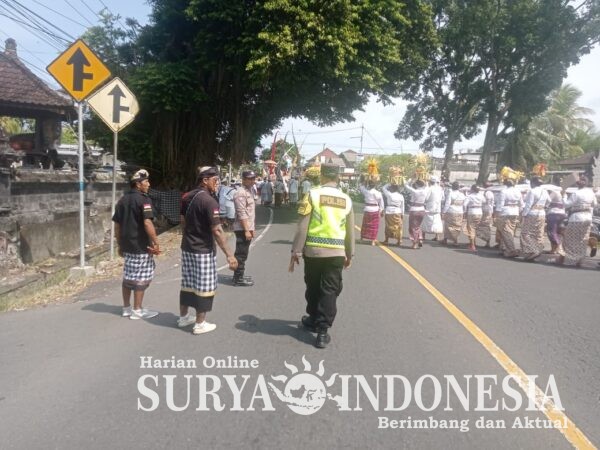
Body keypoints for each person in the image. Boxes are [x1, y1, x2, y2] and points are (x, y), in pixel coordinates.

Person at [290, 164, 354, 349]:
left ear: (322, 176)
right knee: (330, 289)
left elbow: (303, 226)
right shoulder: (346, 199)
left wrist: (296, 251)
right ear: (338, 177)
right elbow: (350, 230)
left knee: (312, 285)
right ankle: (322, 332)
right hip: (337, 252)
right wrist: (349, 253)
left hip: (314, 251)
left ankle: (312, 318)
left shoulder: (312, 195)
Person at [178, 166, 238, 334]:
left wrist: (190, 235)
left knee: (188, 283)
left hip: (187, 247)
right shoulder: (209, 201)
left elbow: (182, 221)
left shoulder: (187, 197)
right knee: (205, 286)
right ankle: (200, 324)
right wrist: (230, 255)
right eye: (215, 180)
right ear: (205, 180)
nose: (217, 184)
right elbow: (217, 230)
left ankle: (183, 318)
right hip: (203, 250)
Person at [112, 169, 160, 320]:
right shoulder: (144, 200)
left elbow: (117, 226)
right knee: (141, 277)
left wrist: (120, 244)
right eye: (146, 182)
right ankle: (137, 310)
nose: (148, 184)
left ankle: (126, 308)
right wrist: (156, 242)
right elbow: (147, 223)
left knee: (128, 277)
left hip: (127, 245)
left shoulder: (122, 200)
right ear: (138, 184)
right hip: (141, 245)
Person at [557, 175, 597, 266]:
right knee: (583, 240)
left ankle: (571, 259)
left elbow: (566, 205)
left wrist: (564, 195)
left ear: (577, 183)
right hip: (587, 218)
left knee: (570, 239)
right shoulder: (591, 193)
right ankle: (580, 259)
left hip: (576, 218)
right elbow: (594, 204)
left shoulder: (576, 193)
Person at [232, 170, 257, 286]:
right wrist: (247, 230)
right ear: (243, 179)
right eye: (249, 179)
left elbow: (250, 213)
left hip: (247, 227)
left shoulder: (249, 191)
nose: (252, 181)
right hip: (242, 228)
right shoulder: (240, 193)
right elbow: (241, 213)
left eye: (253, 179)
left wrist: (252, 229)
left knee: (244, 253)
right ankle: (238, 278)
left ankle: (239, 275)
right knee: (241, 254)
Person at [520, 176, 550, 261]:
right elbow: (549, 201)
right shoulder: (545, 191)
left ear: (533, 183)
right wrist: (544, 207)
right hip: (542, 213)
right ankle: (537, 249)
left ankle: (533, 250)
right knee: (538, 233)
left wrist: (524, 215)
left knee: (525, 233)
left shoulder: (532, 191)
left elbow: (528, 204)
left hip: (532, 213)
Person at [494, 178, 523, 258]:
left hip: (505, 212)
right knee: (510, 230)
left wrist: (496, 214)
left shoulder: (504, 191)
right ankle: (504, 248)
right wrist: (520, 213)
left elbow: (500, 204)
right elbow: (521, 204)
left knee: (506, 231)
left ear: (506, 184)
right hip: (515, 212)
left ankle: (511, 250)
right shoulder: (518, 191)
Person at [404, 179, 428, 249]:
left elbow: (405, 185)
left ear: (417, 185)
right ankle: (420, 238)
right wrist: (423, 177)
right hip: (422, 210)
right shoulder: (425, 190)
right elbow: (427, 184)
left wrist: (411, 179)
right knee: (418, 226)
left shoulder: (415, 191)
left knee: (413, 227)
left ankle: (414, 243)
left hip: (414, 210)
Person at [359, 179, 384, 245]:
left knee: (365, 225)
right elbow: (381, 203)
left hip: (367, 209)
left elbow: (361, 186)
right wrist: (381, 211)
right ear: (375, 185)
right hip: (375, 210)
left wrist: (365, 181)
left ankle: (361, 238)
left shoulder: (366, 191)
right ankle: (373, 241)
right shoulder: (378, 193)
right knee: (374, 226)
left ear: (368, 185)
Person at [442, 181, 466, 246]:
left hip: (451, 211)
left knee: (448, 226)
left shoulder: (451, 193)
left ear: (452, 187)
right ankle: (454, 240)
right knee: (457, 226)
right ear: (458, 187)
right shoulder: (462, 194)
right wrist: (464, 211)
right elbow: (464, 204)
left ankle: (447, 240)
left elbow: (447, 203)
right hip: (460, 212)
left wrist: (444, 212)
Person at [545, 184, 566, 254]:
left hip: (553, 213)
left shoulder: (554, 192)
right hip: (562, 213)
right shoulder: (564, 193)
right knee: (558, 232)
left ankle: (557, 246)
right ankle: (555, 249)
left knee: (551, 231)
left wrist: (546, 206)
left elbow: (548, 200)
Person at [463, 184, 485, 251]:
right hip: (479, 212)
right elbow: (484, 201)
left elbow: (464, 204)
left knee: (471, 228)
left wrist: (465, 212)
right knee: (475, 228)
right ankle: (473, 243)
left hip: (472, 212)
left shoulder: (470, 196)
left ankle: (472, 245)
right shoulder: (481, 196)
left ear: (472, 189)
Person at [422, 176, 444, 241]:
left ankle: (423, 236)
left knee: (426, 221)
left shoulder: (430, 188)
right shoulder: (440, 188)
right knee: (437, 221)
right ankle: (437, 236)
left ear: (430, 182)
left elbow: (426, 198)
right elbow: (443, 198)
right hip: (437, 208)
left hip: (430, 207)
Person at [477, 182, 495, 247]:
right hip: (488, 210)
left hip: (486, 210)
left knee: (485, 225)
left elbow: (486, 201)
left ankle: (487, 240)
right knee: (485, 225)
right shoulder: (489, 192)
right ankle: (486, 240)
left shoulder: (488, 193)